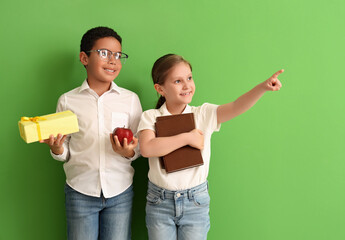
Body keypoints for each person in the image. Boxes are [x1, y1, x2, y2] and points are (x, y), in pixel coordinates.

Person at [137, 54, 283, 240]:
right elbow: (148, 148)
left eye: (189, 78)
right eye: (177, 81)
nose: (187, 85)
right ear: (160, 89)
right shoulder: (150, 117)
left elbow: (237, 106)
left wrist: (262, 88)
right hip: (160, 202)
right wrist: (187, 137)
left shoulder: (203, 114)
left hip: (195, 202)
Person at [40, 26, 142, 240]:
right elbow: (65, 150)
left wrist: (128, 152)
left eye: (118, 55)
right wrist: (57, 148)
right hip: (80, 191)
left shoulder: (130, 99)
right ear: (84, 58)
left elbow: (139, 146)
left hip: (120, 191)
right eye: (104, 53)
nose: (113, 60)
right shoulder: (67, 100)